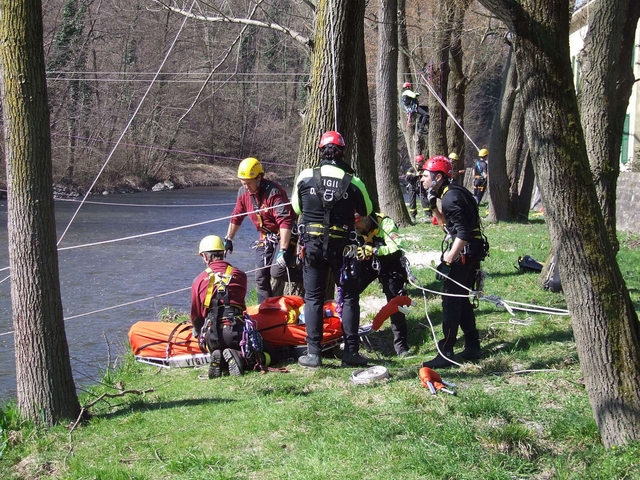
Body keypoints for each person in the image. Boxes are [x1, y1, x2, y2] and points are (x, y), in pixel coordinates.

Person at [292, 131, 373, 369]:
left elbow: (297, 208)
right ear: (343, 153)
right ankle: (351, 352)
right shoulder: (353, 181)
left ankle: (314, 353)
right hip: (344, 248)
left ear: (320, 151)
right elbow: (367, 209)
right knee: (349, 298)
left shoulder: (306, 177)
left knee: (313, 297)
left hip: (313, 246)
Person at [421, 156, 488, 368]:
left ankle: (446, 351)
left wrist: (449, 260)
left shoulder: (450, 198)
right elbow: (448, 227)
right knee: (461, 298)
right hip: (472, 250)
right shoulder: (453, 193)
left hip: (465, 252)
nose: (422, 179)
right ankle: (472, 345)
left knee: (450, 300)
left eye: (425, 175)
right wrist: (433, 206)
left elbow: (463, 232)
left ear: (438, 177)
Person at [225, 157, 300, 304]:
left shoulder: (273, 192)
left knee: (277, 271)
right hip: (265, 238)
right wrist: (229, 239)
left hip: (285, 235)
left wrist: (283, 250)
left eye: (248, 183)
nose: (245, 187)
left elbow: (285, 221)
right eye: (243, 183)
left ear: (259, 177)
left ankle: (311, 276)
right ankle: (266, 310)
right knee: (260, 277)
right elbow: (236, 217)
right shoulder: (242, 193)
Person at [191, 235, 248, 378]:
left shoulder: (198, 280)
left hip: (213, 334)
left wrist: (199, 334)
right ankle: (238, 356)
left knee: (215, 345)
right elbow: (241, 303)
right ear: (223, 253)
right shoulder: (240, 275)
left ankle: (219, 357)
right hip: (237, 332)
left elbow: (196, 316)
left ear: (204, 257)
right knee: (259, 352)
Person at [354, 212, 411, 357]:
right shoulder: (355, 228)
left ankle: (401, 346)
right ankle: (351, 338)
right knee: (350, 293)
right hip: (367, 263)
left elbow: (399, 247)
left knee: (395, 302)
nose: (355, 227)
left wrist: (375, 250)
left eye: (358, 222)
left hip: (391, 263)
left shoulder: (384, 222)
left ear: (366, 218)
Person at [405, 154, 431, 222]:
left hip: (420, 187)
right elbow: (407, 178)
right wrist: (415, 175)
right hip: (412, 187)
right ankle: (413, 216)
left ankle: (429, 215)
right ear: (417, 162)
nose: (421, 163)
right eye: (420, 162)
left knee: (424, 200)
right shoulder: (411, 169)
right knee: (412, 202)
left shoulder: (423, 169)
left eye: (422, 162)